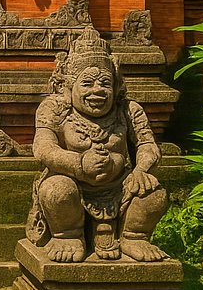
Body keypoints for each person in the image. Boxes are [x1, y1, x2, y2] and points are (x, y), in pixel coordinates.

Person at [26, 25, 168, 263]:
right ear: (68, 87)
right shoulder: (55, 108)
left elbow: (147, 145)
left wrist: (141, 170)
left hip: (120, 186)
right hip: (73, 185)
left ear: (116, 86)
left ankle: (134, 236)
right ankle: (67, 235)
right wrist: (79, 163)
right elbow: (43, 149)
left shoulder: (128, 110)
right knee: (56, 190)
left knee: (155, 193)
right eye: (87, 83)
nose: (97, 90)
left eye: (105, 83)